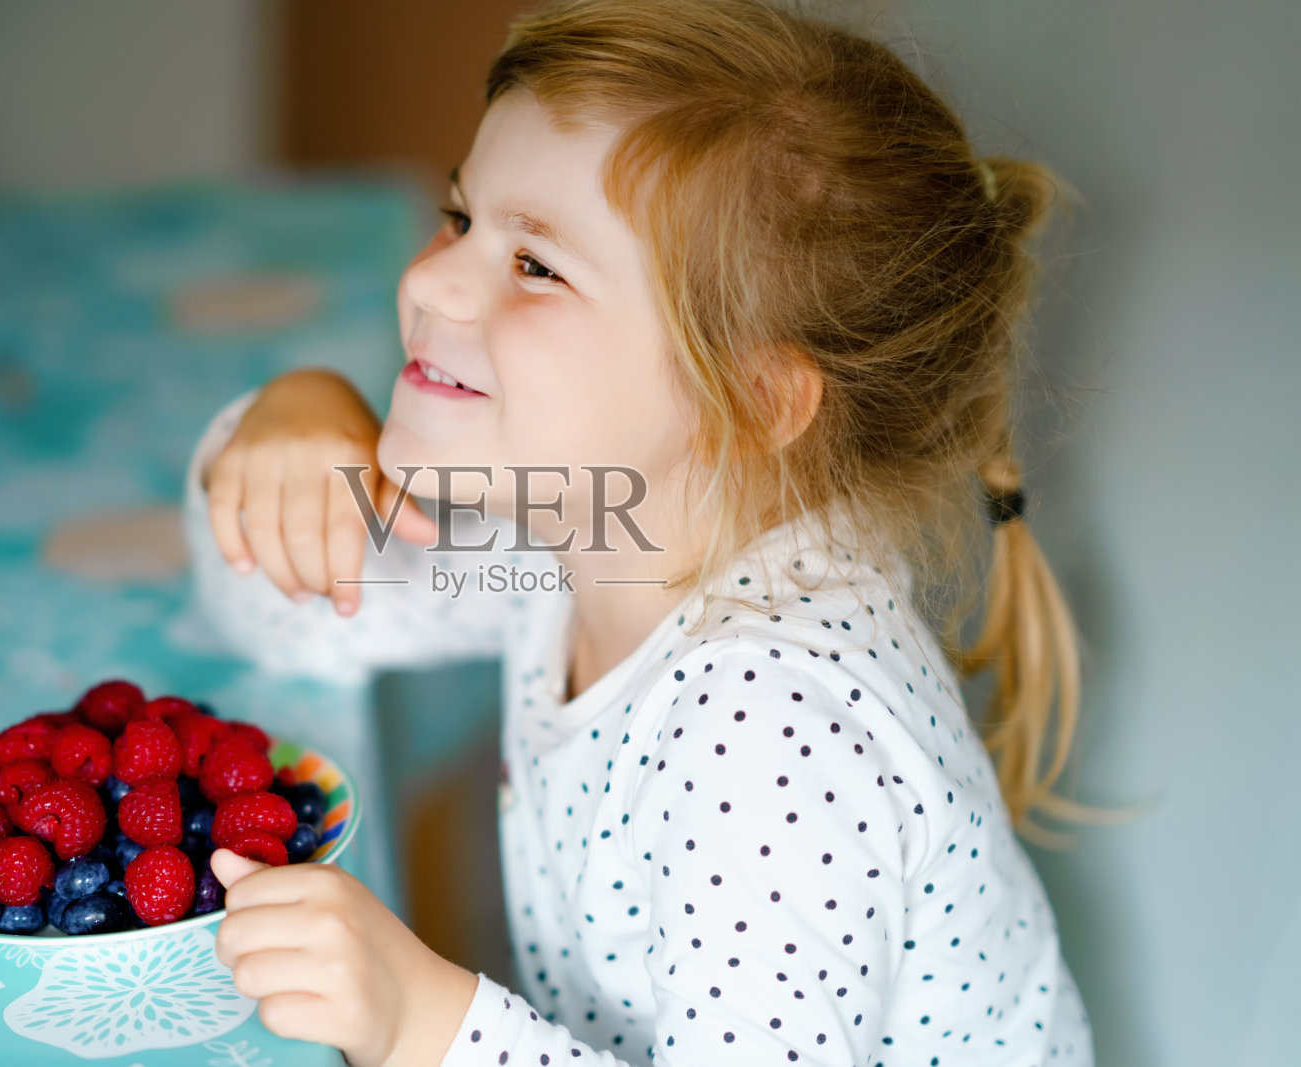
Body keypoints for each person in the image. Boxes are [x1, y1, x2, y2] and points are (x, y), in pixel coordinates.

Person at [188, 1, 1096, 1064]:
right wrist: (280, 432)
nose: (432, 277)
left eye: (536, 265)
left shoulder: (770, 737)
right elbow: (290, 617)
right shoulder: (591, 518)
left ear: (749, 400)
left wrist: (425, 1021)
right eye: (459, 214)